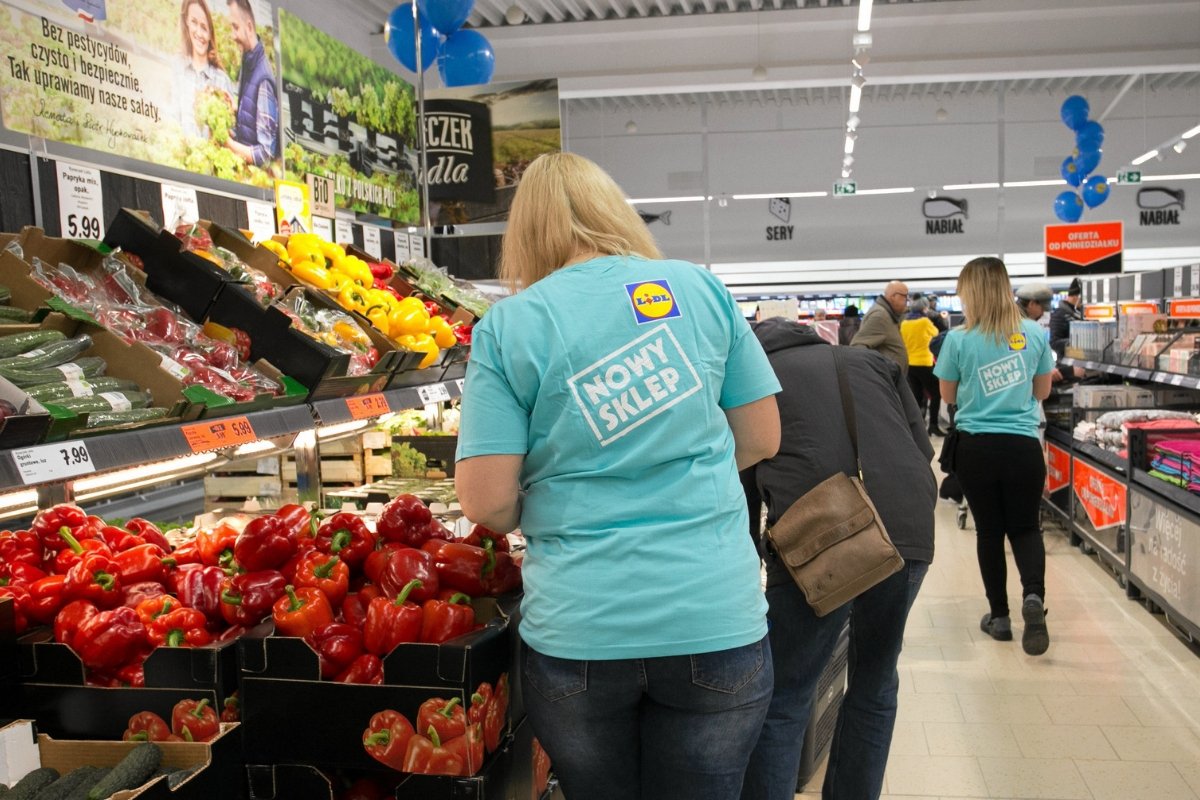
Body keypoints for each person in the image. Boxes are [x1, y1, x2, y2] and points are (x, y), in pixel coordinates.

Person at [454, 152, 782, 800]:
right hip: (714, 614)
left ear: (526, 234)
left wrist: (546, 505)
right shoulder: (700, 289)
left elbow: (486, 501)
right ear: (613, 211)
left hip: (581, 628)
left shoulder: (509, 326)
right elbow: (762, 437)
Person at [741, 318, 935, 800]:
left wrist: (749, 557)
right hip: (906, 531)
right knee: (874, 682)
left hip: (821, 535)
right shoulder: (872, 361)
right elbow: (921, 448)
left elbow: (741, 478)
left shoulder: (755, 378)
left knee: (786, 692)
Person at [935, 257, 1055, 656]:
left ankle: (1000, 617)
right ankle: (1033, 598)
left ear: (970, 292)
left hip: (977, 447)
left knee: (989, 532)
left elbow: (948, 397)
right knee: (1025, 528)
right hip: (1023, 446)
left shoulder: (959, 339)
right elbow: (1042, 393)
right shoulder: (1034, 332)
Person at [226, 0, 278, 166]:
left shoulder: (263, 78)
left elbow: (265, 154)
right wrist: (235, 108)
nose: (232, 35)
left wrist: (229, 144)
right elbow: (250, 128)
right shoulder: (248, 61)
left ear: (249, 27)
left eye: (235, 27)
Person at [177, 0, 235, 139]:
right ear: (186, 23)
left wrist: (224, 131)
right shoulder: (177, 71)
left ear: (210, 34)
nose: (199, 32)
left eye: (204, 27)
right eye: (194, 22)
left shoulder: (222, 81)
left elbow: (233, 134)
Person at [902, 297, 945, 436]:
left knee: (917, 396)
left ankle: (918, 428)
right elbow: (936, 333)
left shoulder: (904, 323)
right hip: (925, 362)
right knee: (936, 394)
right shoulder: (925, 321)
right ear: (924, 308)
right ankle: (933, 425)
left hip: (910, 364)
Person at [851, 281, 910, 373]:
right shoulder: (880, 316)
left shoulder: (887, 314)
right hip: (885, 381)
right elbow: (858, 346)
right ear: (894, 296)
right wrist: (878, 372)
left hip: (890, 380)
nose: (907, 301)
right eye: (905, 296)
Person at [1049, 277, 1083, 362]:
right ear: (1076, 297)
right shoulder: (1059, 314)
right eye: (1082, 299)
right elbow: (1054, 343)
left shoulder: (1079, 313)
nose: (1083, 302)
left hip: (1079, 361)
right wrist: (1079, 341)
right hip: (1066, 363)